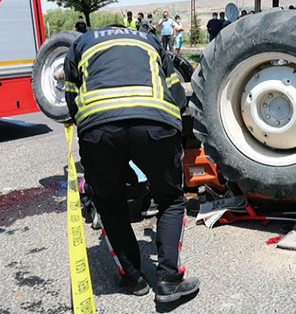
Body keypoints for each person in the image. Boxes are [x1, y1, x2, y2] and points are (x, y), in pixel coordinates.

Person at [63, 24, 199, 303]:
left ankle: (133, 277)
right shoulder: (150, 41)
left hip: (99, 127)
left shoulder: (82, 42)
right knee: (170, 199)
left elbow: (70, 96)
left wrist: (90, 133)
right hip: (156, 123)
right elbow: (176, 92)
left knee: (109, 202)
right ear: (125, 30)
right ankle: (169, 281)